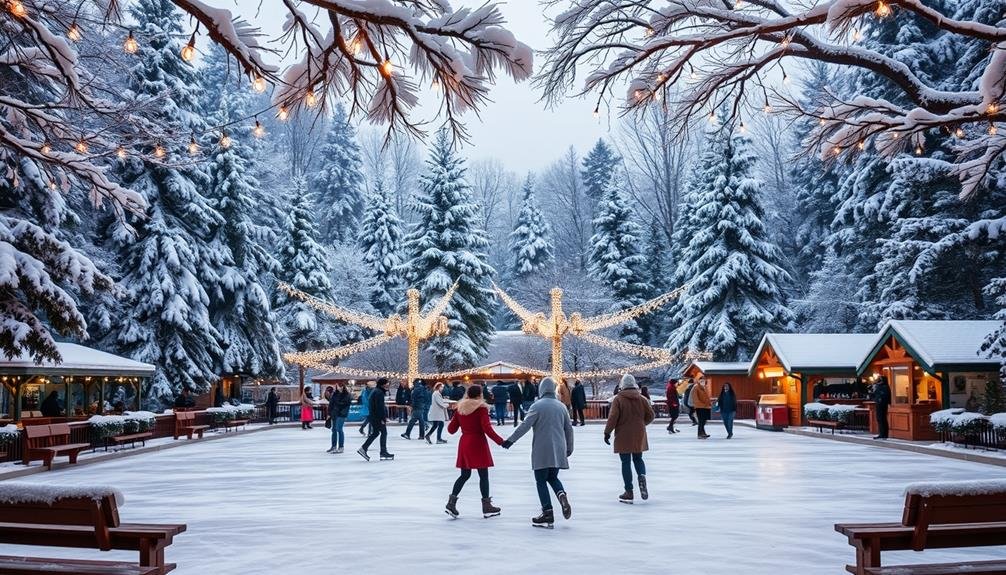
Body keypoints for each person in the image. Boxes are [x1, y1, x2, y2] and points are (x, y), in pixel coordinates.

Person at [502, 377, 574, 528]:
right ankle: (561, 494)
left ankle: (547, 512)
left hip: (542, 449)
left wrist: (510, 440)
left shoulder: (537, 406)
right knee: (553, 478)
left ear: (541, 389)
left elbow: (525, 425)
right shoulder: (561, 407)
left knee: (541, 480)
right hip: (558, 448)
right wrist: (569, 448)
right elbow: (569, 429)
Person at [444, 385, 505, 519]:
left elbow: (451, 429)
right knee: (483, 475)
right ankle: (487, 506)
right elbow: (487, 429)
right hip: (478, 443)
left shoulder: (460, 408)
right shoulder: (481, 408)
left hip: (465, 443)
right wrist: (501, 442)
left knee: (464, 475)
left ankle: (451, 503)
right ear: (480, 395)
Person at [604, 374, 655, 504]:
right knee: (638, 459)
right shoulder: (642, 399)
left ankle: (629, 491)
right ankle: (642, 477)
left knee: (625, 462)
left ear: (622, 385)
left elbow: (613, 417)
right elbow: (651, 415)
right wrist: (642, 424)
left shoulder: (618, 399)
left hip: (623, 434)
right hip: (639, 433)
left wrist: (607, 432)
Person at [358, 379, 394, 460]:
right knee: (383, 433)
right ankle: (383, 452)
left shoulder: (376, 391)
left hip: (373, 416)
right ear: (382, 385)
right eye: (386, 384)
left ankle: (364, 448)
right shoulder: (379, 393)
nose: (388, 385)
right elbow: (379, 407)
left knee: (376, 433)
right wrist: (382, 418)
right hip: (376, 417)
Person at [328, 383, 352, 453]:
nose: (339, 388)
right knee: (334, 430)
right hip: (334, 414)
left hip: (341, 414)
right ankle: (334, 446)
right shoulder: (335, 394)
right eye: (338, 386)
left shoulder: (347, 395)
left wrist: (338, 406)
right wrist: (329, 413)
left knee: (339, 429)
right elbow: (331, 404)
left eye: (341, 386)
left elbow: (345, 405)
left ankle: (341, 447)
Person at [872, 375, 892, 440]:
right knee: (880, 419)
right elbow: (874, 395)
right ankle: (882, 433)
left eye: (879, 379)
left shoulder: (884, 387)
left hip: (882, 404)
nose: (878, 381)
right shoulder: (880, 386)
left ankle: (883, 434)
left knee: (882, 419)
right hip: (879, 404)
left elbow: (884, 396)